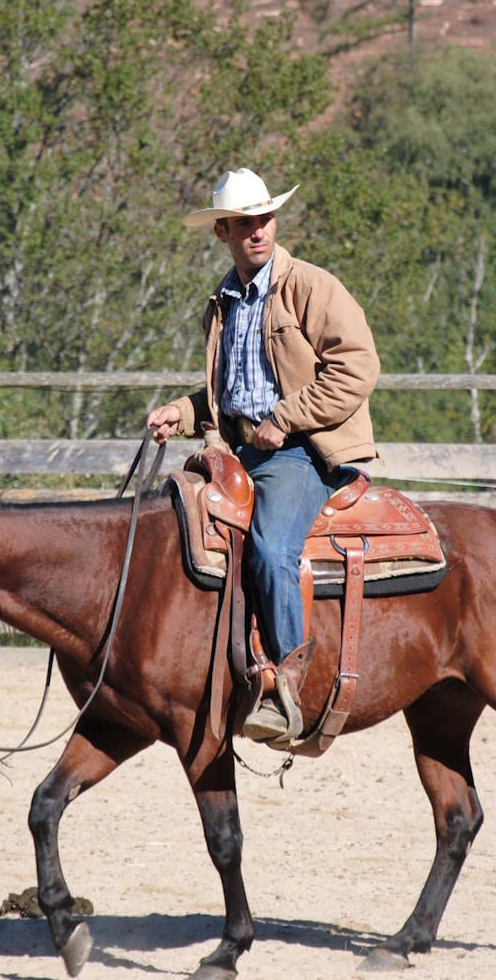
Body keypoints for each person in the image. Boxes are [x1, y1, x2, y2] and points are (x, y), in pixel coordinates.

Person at [146, 168, 380, 744]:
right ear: (221, 232)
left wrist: (286, 419)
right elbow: (233, 393)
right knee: (176, 532)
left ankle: (284, 688)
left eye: (264, 220)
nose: (258, 232)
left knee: (274, 549)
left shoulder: (310, 286)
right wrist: (183, 410)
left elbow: (358, 367)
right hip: (242, 449)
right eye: (244, 224)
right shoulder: (223, 302)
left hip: (303, 452)